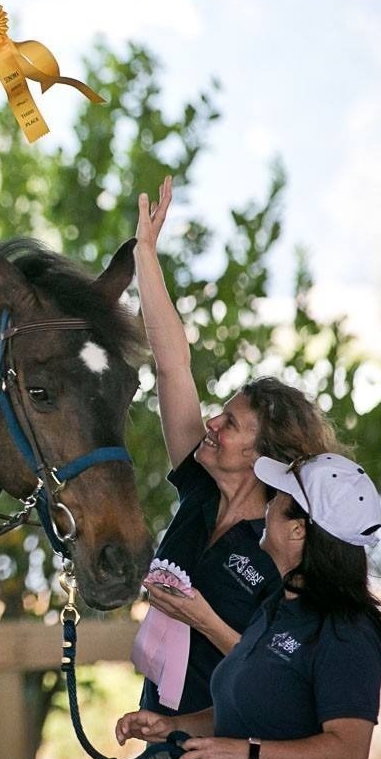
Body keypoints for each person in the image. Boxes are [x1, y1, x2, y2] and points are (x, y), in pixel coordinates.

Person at [129, 175, 340, 726]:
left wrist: (202, 617)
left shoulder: (288, 538)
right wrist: (145, 256)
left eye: (231, 423)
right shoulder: (200, 485)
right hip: (161, 732)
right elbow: (172, 363)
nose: (211, 423)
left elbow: (282, 674)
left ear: (263, 455)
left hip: (232, 747)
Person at [115, 453, 381, 759]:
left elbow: (348, 754)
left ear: (298, 531)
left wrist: (247, 753)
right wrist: (174, 725)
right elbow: (247, 712)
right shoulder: (278, 605)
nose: (268, 504)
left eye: (278, 498)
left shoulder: (347, 630)